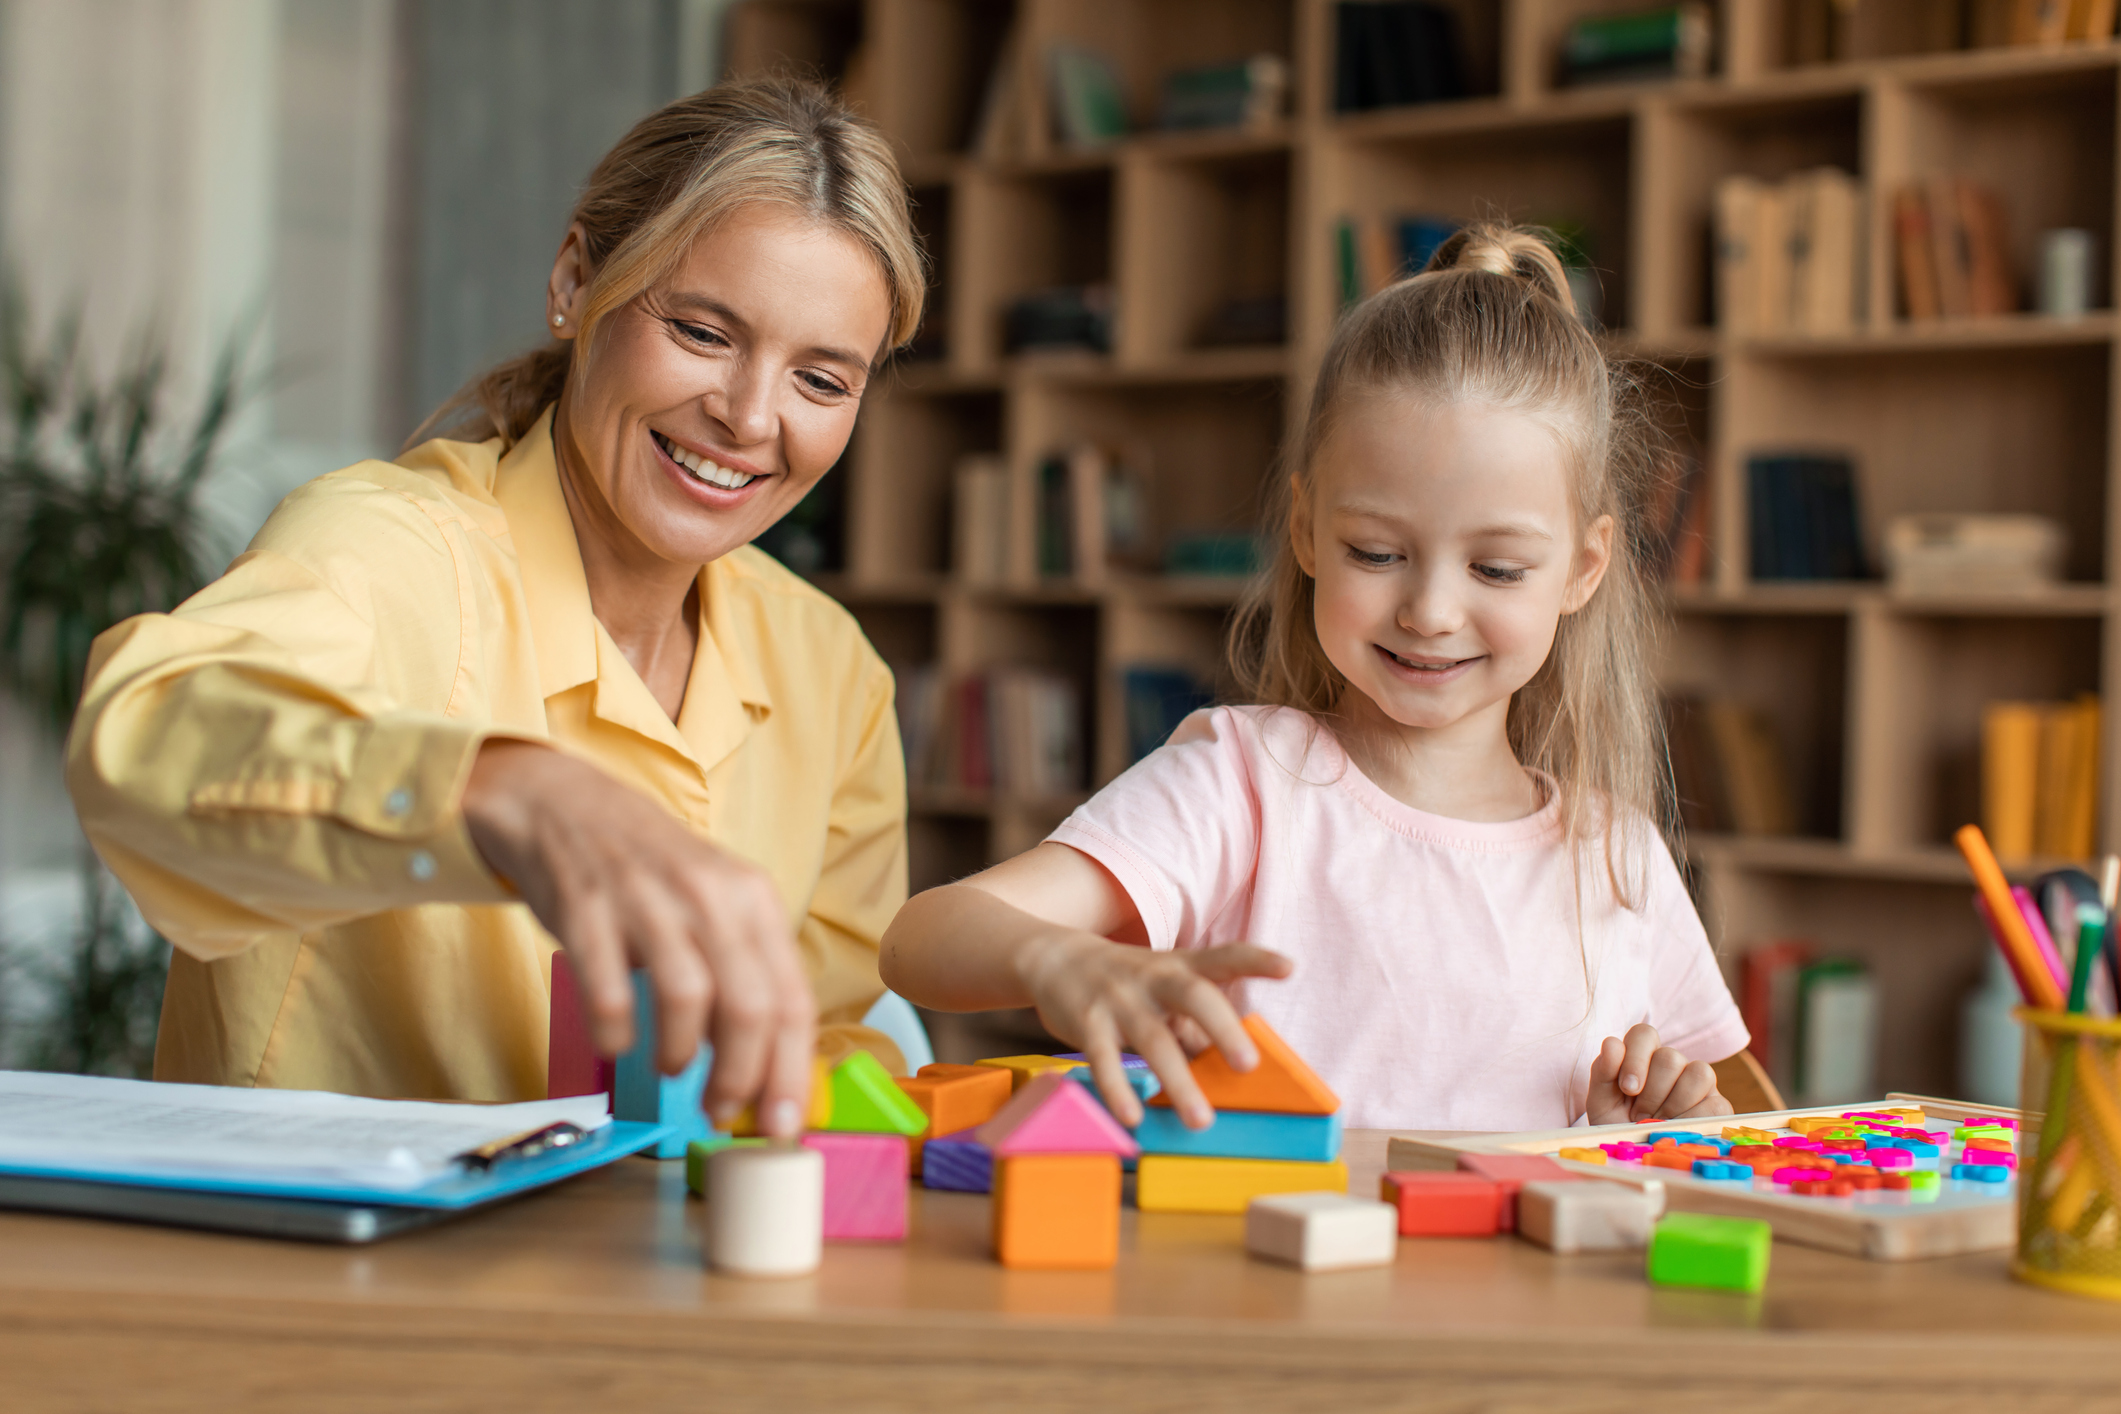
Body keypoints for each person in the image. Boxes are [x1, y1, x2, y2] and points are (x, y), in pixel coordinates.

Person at [67, 78, 923, 1137]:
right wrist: (495, 792)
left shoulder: (833, 670)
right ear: (576, 282)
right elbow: (141, 742)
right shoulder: (390, 542)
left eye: (822, 382)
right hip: (319, 1288)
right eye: (703, 331)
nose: (750, 417)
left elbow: (827, 1038)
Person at [880, 224, 1748, 1133]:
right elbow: (917, 943)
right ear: (1303, 530)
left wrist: (1648, 1119)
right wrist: (1051, 961)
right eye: (1375, 552)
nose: (1430, 612)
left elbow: (1726, 1111)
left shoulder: (1617, 856)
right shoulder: (1242, 784)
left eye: (1496, 569)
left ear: (1584, 566)